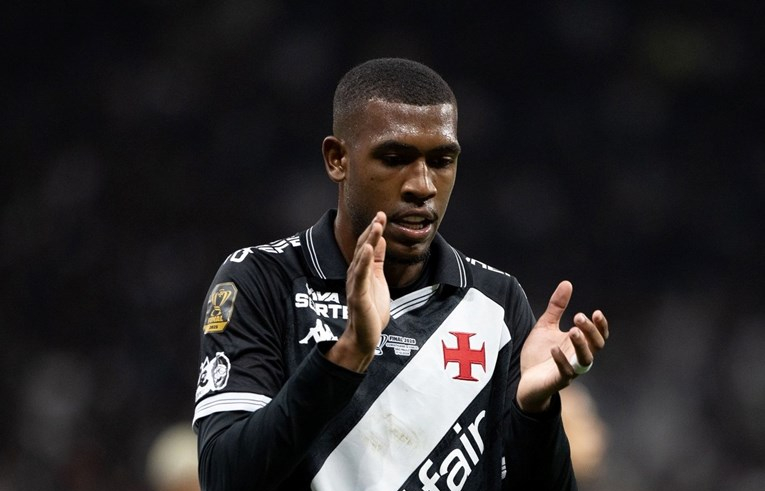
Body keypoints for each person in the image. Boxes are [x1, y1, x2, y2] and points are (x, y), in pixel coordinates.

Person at [193, 57, 609, 491]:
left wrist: (535, 411)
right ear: (337, 159)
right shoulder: (263, 281)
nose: (423, 185)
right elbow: (224, 477)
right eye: (395, 158)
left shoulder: (495, 302)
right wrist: (347, 355)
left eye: (442, 160)